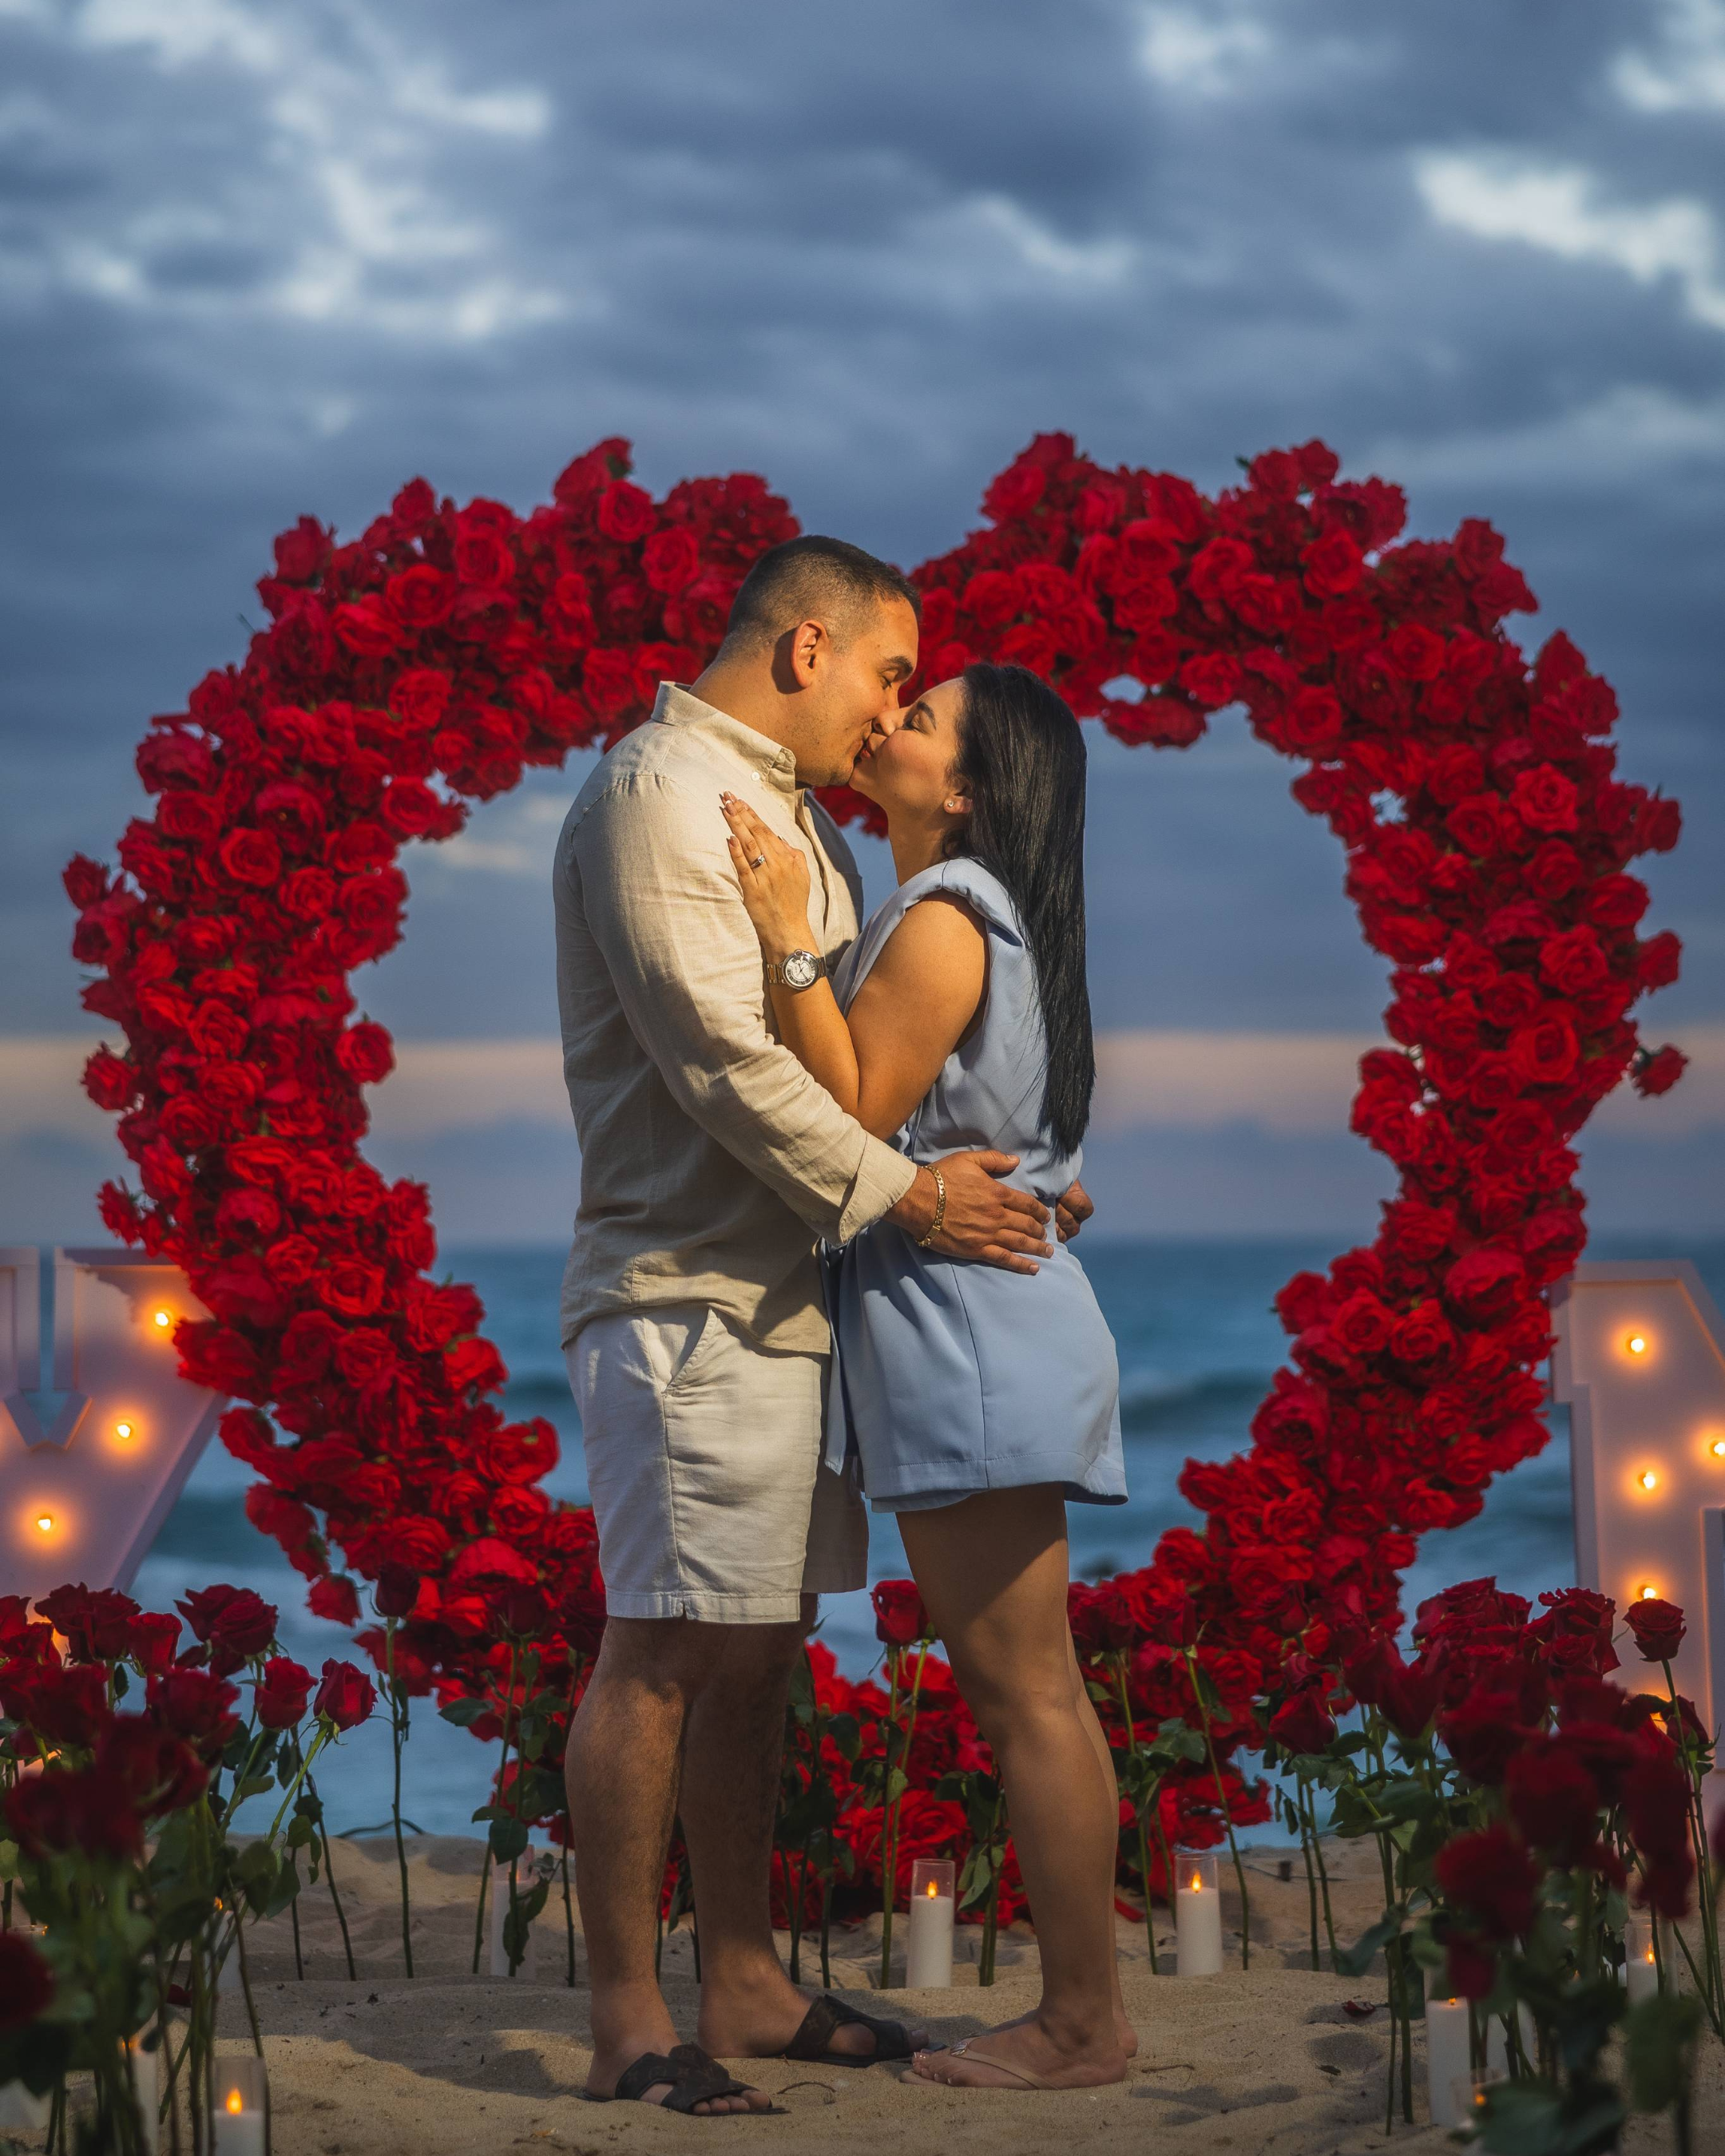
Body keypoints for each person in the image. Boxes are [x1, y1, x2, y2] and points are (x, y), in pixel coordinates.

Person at [553, 539, 1094, 2116]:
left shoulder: (799, 824)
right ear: (806, 649)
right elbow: (731, 1074)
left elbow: (878, 1068)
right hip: (687, 1300)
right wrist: (921, 1208)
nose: (886, 713)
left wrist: (1032, 1180)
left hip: (796, 1306)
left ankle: (741, 1980)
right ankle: (625, 2024)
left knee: (760, 1651)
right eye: (884, 675)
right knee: (657, 1647)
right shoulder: (659, 794)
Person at [719, 660, 1131, 2093]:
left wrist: (781, 943)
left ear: (964, 789)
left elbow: (847, 1118)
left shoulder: (952, 918)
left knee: (1027, 1696)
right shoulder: (949, 910)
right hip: (983, 1326)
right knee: (1034, 1690)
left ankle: (1084, 2023)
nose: (889, 717)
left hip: (973, 1339)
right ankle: (1084, 2012)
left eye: (926, 713)